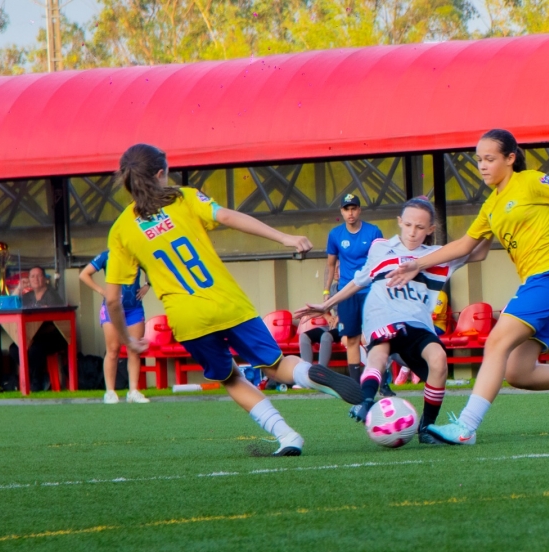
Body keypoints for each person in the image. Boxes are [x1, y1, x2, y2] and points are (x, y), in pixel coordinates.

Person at [104, 144, 362, 456]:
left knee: (231, 377)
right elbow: (227, 216)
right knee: (276, 365)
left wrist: (128, 341)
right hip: (229, 302)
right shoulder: (183, 198)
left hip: (189, 319)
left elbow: (113, 300)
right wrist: (285, 237)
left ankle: (288, 436)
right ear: (160, 174)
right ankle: (309, 373)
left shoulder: (121, 230)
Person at [388, 129, 549, 445]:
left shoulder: (530, 181)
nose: (482, 166)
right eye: (479, 160)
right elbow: (464, 245)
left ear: (510, 158)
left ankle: (465, 427)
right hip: (537, 284)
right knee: (518, 372)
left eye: (489, 159)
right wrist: (417, 264)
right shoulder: (491, 205)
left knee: (495, 343)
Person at [297, 197, 490, 444]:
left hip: (417, 322)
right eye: (408, 225)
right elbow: (359, 280)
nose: (412, 232)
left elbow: (480, 252)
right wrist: (327, 304)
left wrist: (491, 223)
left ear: (430, 229)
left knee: (438, 360)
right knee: (379, 354)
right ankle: (367, 402)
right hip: (384, 315)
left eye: (420, 227)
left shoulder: (438, 256)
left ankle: (426, 427)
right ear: (399, 221)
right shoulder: (381, 247)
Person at [324, 193, 384, 383]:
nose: (350, 213)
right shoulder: (335, 234)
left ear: (359, 210)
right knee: (351, 339)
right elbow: (331, 265)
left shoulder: (373, 232)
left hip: (370, 291)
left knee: (377, 338)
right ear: (341, 212)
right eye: (346, 209)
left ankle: (382, 383)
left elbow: (382, 263)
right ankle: (356, 385)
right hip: (346, 293)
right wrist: (326, 292)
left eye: (353, 209)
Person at [79, 250, 151, 404]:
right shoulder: (107, 255)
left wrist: (148, 284)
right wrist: (102, 291)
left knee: (134, 349)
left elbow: (152, 266)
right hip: (112, 308)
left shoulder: (136, 253)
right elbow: (84, 274)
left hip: (134, 308)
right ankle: (110, 392)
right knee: (113, 349)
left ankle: (133, 391)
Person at [12, 266, 67, 391]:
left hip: (52, 336)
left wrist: (33, 337)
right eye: (32, 276)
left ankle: (36, 381)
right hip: (31, 336)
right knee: (14, 349)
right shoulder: (28, 296)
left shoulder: (52, 295)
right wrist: (19, 288)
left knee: (34, 350)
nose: (35, 279)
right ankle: (31, 377)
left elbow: (53, 323)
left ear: (45, 279)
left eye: (39, 276)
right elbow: (10, 304)